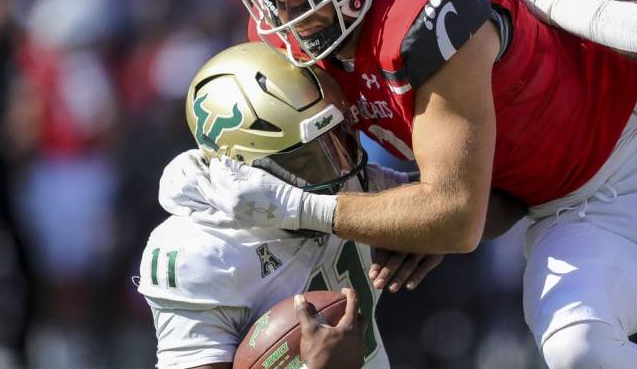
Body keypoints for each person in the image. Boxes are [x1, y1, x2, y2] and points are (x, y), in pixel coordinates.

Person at [160, 0, 637, 367]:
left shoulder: (425, 2)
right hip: (565, 215)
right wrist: (210, 172)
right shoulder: (302, 44)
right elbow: (491, 208)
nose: (289, 11)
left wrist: (301, 207)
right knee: (580, 348)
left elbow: (455, 217)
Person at [138, 42, 445, 368]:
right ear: (246, 167)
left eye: (338, 138)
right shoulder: (199, 251)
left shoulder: (351, 179)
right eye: (306, 158)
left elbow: (486, 204)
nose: (340, 171)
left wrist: (437, 225)